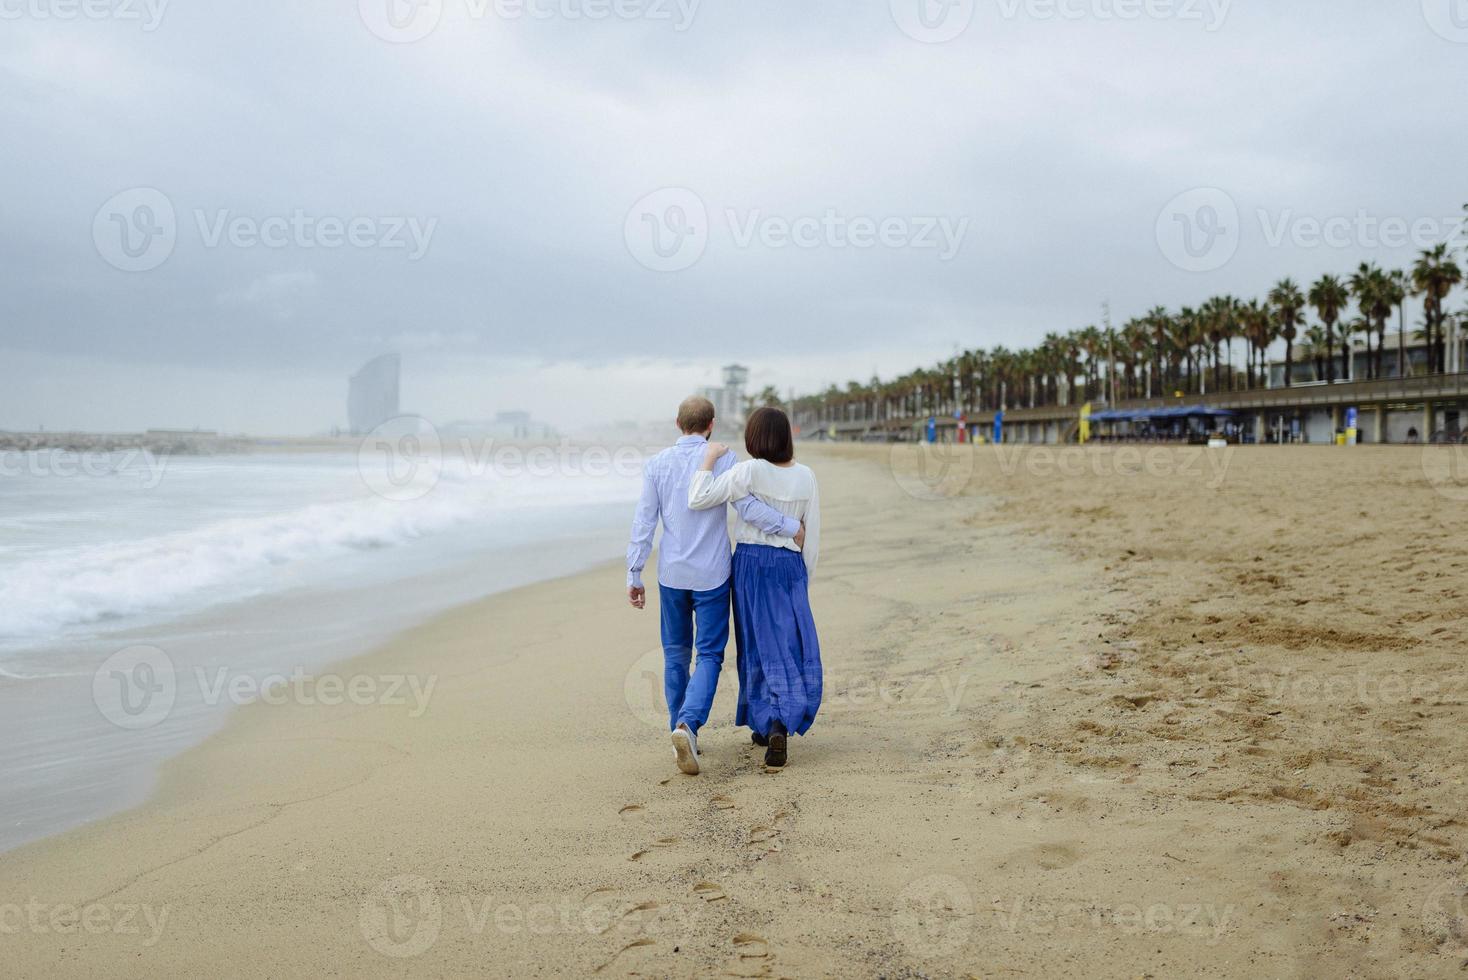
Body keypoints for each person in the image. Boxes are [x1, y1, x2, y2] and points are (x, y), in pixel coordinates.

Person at [626, 396, 805, 776]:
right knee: (708, 656)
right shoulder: (724, 459)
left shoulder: (657, 464)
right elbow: (750, 509)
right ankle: (687, 726)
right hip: (712, 576)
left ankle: (682, 729)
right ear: (711, 425)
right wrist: (792, 528)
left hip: (671, 575)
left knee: (675, 655)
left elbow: (644, 523)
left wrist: (634, 572)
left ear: (678, 423)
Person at [688, 407, 821, 769]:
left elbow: (699, 498)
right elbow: (814, 532)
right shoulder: (806, 476)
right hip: (790, 565)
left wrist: (707, 460)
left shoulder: (747, 470)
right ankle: (778, 721)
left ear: (754, 437)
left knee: (756, 643)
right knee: (788, 643)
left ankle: (768, 722)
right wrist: (803, 575)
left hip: (750, 564)